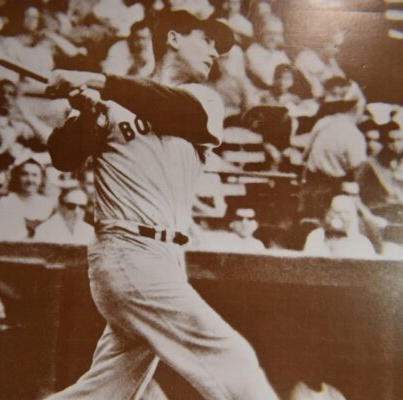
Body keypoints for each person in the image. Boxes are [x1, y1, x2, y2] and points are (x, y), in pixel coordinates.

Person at [45, 9, 278, 399]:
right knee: (229, 356)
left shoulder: (204, 99)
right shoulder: (108, 102)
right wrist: (86, 115)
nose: (214, 53)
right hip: (127, 248)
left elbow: (172, 110)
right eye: (206, 40)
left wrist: (95, 82)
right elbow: (63, 156)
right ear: (172, 38)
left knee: (108, 390)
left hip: (168, 255)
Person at [303, 194, 376, 257]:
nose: (343, 217)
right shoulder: (316, 236)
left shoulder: (362, 243)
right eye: (337, 213)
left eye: (347, 213)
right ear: (328, 215)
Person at [9, 159, 57, 237]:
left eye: (34, 175)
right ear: (17, 177)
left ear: (41, 178)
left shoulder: (49, 205)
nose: (30, 180)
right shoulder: (8, 200)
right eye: (24, 174)